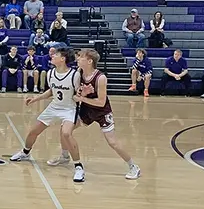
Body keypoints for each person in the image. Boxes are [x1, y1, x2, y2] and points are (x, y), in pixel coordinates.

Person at [57, 49, 141, 182]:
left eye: (81, 57)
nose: (77, 59)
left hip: (102, 112)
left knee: (113, 142)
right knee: (64, 129)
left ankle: (133, 166)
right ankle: (64, 156)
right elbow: (75, 96)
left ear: (89, 61)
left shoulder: (101, 78)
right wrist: (81, 94)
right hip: (86, 110)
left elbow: (101, 103)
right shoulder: (79, 73)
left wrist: (82, 99)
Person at [10, 47, 85, 183]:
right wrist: (35, 99)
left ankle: (78, 166)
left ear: (63, 59)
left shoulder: (75, 75)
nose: (52, 56)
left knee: (66, 134)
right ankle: (25, 152)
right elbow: (52, 91)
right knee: (33, 131)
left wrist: (81, 97)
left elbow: (78, 94)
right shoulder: (50, 73)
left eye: (55, 55)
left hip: (69, 109)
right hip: (54, 107)